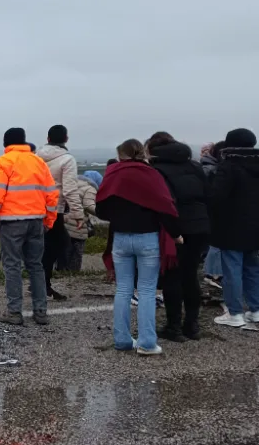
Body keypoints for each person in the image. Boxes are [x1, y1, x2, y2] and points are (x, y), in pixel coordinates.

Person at [96, 139, 182, 356]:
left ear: (120, 154)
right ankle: (146, 343)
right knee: (146, 290)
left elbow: (101, 210)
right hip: (148, 238)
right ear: (142, 152)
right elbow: (166, 206)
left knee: (123, 289)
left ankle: (122, 339)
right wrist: (175, 233)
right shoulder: (151, 174)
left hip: (120, 238)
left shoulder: (113, 173)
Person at [0, 128, 59, 326]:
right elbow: (52, 194)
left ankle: (14, 312)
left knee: (12, 266)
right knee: (36, 266)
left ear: (6, 144)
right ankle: (41, 312)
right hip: (36, 221)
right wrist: (49, 220)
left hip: (12, 222)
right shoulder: (38, 162)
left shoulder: (2, 163)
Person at [146, 131, 210, 341]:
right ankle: (192, 325)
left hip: (176, 228)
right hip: (201, 226)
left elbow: (165, 203)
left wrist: (173, 231)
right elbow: (208, 194)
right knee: (191, 275)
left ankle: (173, 326)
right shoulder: (194, 166)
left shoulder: (156, 170)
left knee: (172, 276)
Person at [209, 128, 259, 327]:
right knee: (253, 269)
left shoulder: (229, 166)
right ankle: (255, 310)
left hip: (231, 227)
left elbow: (216, 197)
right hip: (255, 228)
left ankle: (235, 313)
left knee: (232, 270)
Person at [37, 125, 83, 301]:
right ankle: (43, 286)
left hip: (35, 207)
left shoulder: (36, 157)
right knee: (58, 245)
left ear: (48, 139)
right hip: (54, 209)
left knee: (45, 245)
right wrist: (78, 214)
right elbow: (70, 189)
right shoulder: (67, 159)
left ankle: (41, 284)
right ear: (66, 139)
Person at [60, 170, 102, 271]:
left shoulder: (71, 184)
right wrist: (102, 212)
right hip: (78, 225)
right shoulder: (90, 189)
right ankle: (73, 273)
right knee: (76, 253)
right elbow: (88, 205)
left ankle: (61, 272)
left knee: (64, 251)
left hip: (64, 222)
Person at [200, 142, 224, 288]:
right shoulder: (212, 170)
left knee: (215, 243)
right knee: (216, 243)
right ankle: (213, 273)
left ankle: (212, 272)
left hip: (210, 211)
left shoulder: (205, 168)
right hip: (212, 211)